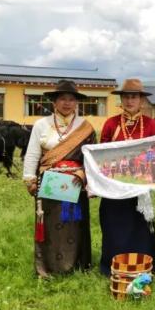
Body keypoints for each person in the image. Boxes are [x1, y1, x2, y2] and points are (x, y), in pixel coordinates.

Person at [22, 80, 96, 277]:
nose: (67, 103)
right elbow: (32, 154)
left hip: (75, 184)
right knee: (50, 226)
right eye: (62, 99)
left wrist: (83, 174)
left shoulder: (85, 127)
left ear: (76, 103)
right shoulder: (41, 125)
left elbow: (92, 158)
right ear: (54, 102)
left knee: (73, 225)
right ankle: (49, 268)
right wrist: (30, 179)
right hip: (49, 185)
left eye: (71, 99)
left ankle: (76, 266)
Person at [97, 79, 155, 276]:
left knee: (140, 225)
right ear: (121, 99)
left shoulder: (150, 125)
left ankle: (143, 262)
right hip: (114, 187)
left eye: (134, 96)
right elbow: (102, 155)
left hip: (140, 186)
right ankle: (113, 264)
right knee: (114, 224)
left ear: (141, 100)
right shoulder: (111, 124)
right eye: (126, 96)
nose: (130, 100)